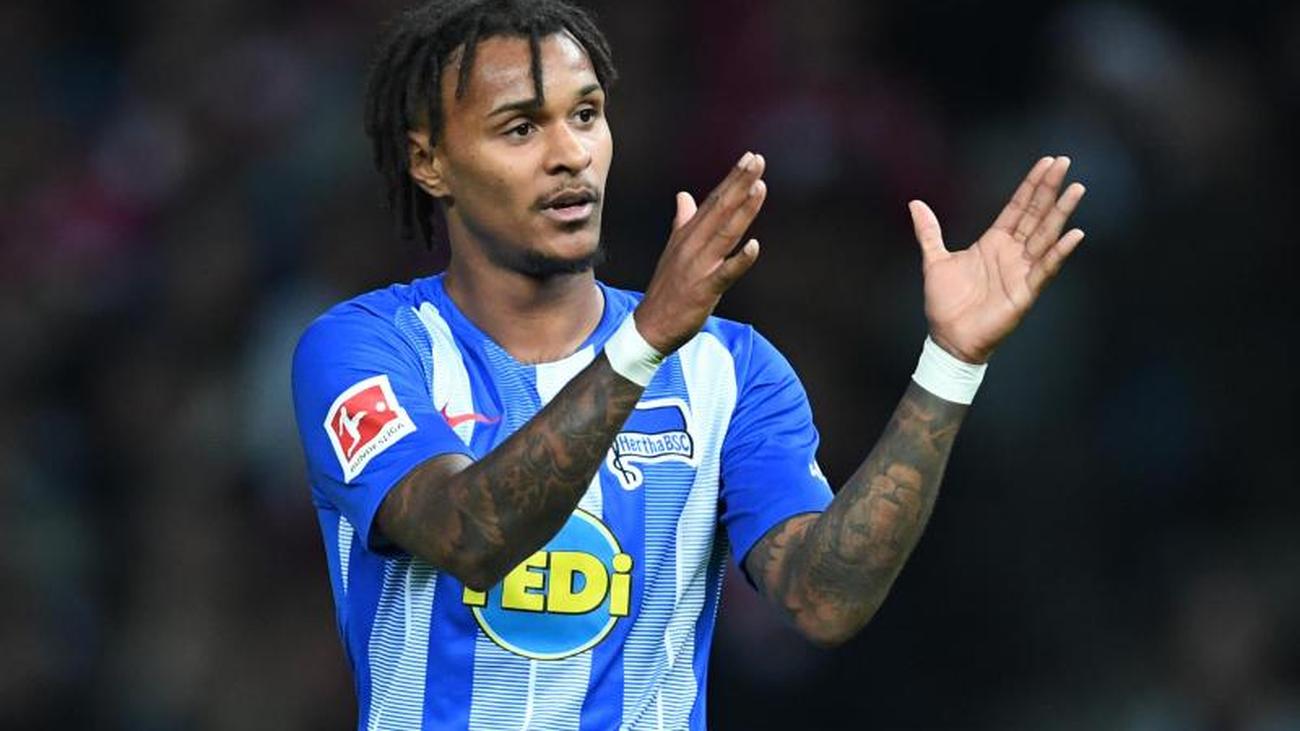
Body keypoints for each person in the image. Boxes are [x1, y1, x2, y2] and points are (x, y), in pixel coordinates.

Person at [290, 0, 1087, 728]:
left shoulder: (731, 370)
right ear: (429, 160)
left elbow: (823, 600)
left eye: (586, 115)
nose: (569, 154)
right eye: (521, 128)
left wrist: (950, 363)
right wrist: (643, 343)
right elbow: (466, 533)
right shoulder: (365, 348)